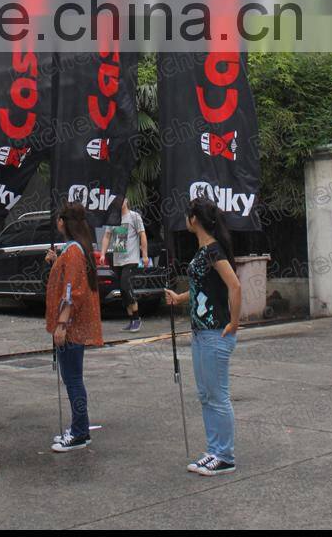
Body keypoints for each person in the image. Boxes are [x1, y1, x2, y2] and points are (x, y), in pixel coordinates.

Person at [164, 193, 242, 476]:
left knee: (217, 395)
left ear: (194, 219)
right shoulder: (203, 252)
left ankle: (225, 455)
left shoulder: (213, 251)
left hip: (214, 334)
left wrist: (233, 323)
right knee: (206, 395)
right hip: (200, 333)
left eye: (187, 215)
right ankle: (214, 450)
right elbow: (203, 289)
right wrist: (179, 298)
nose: (185, 219)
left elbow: (235, 286)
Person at [45, 203, 103, 452]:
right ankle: (80, 428)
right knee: (72, 379)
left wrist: (61, 324)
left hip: (71, 326)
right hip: (72, 325)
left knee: (73, 380)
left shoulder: (74, 251)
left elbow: (72, 290)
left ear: (62, 222)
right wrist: (55, 262)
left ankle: (80, 431)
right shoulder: (74, 250)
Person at [99, 197, 149, 331]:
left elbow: (142, 235)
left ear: (126, 201)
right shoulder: (113, 218)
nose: (119, 203)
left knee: (125, 286)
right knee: (122, 291)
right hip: (118, 259)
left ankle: (137, 318)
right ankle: (132, 319)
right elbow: (107, 236)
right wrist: (103, 253)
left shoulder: (134, 216)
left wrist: (144, 255)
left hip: (131, 259)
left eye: (121, 200)